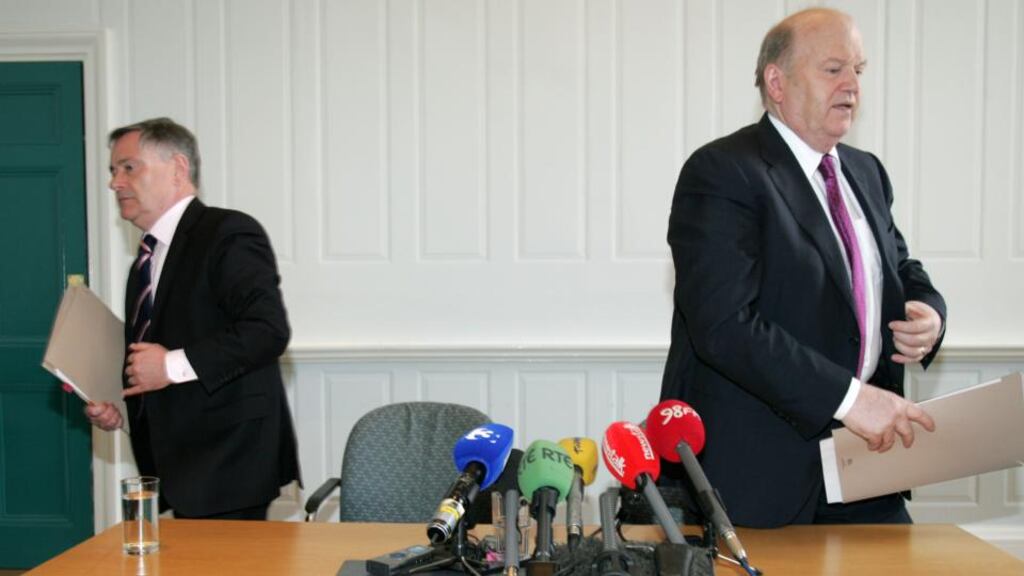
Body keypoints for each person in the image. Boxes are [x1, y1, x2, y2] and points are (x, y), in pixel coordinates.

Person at [658, 8, 946, 527]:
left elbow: (897, 266)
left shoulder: (866, 171)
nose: (852, 85)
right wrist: (850, 400)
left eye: (859, 69)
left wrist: (929, 312)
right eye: (833, 69)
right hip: (760, 474)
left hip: (868, 463)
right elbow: (724, 327)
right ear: (777, 82)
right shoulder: (723, 171)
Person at [86, 117, 300, 520]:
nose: (115, 183)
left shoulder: (228, 232)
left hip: (228, 464)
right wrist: (119, 402)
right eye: (113, 171)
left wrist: (168, 365)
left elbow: (267, 331)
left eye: (129, 167)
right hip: (176, 468)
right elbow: (156, 354)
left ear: (178, 168)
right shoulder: (145, 261)